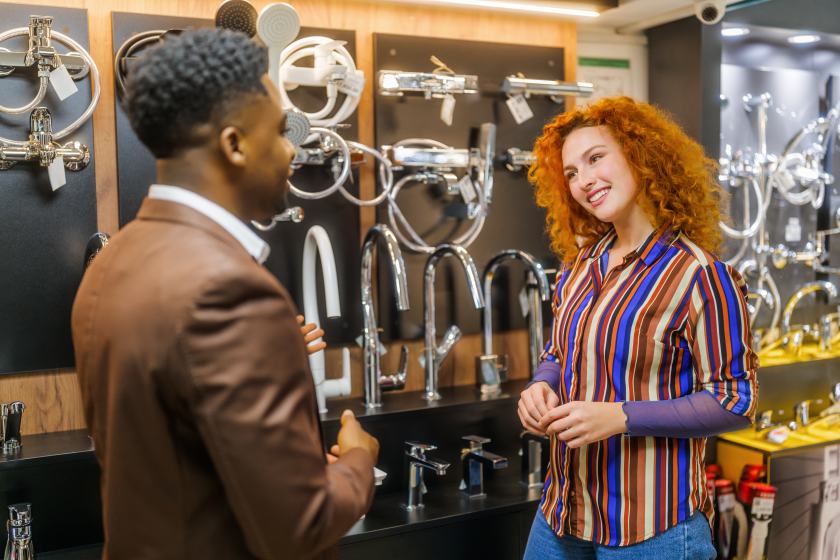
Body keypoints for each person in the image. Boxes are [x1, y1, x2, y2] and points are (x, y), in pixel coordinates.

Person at [71, 29, 378, 559]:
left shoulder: (111, 262)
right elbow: (299, 526)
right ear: (234, 144)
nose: (290, 151)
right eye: (280, 133)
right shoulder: (230, 291)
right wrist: (358, 464)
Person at [518, 96, 758, 559]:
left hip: (652, 530)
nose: (584, 180)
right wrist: (541, 386)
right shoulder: (578, 267)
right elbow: (559, 354)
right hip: (561, 513)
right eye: (570, 172)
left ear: (637, 153)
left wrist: (621, 416)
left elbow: (736, 400)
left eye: (595, 158)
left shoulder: (700, 276)